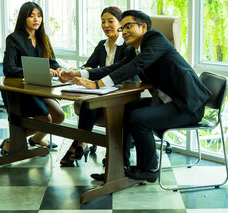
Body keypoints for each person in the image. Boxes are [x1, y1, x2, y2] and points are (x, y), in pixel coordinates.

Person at [59, 10, 211, 182]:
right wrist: (77, 75)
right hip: (165, 102)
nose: (123, 31)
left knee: (138, 118)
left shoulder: (156, 39)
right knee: (123, 110)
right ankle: (118, 166)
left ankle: (149, 169)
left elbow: (138, 66)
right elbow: (113, 69)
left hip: (188, 106)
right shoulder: (133, 50)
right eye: (122, 28)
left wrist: (98, 84)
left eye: (128, 26)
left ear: (143, 27)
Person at [60, 6, 135, 167]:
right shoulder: (102, 45)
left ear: (120, 24)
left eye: (110, 21)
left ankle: (80, 143)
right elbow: (90, 66)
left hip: (123, 93)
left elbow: (119, 72)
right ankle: (81, 142)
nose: (106, 25)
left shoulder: (127, 46)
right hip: (103, 90)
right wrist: (76, 71)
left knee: (91, 102)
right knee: (89, 101)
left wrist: (88, 74)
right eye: (103, 22)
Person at [0, 1, 65, 155]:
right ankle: (11, 141)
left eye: (39, 16)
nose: (36, 19)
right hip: (20, 90)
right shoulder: (13, 39)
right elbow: (9, 69)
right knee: (45, 119)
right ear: (24, 18)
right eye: (31, 16)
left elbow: (52, 61)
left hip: (39, 88)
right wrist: (40, 71)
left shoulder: (43, 37)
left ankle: (35, 140)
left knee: (59, 116)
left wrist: (58, 69)